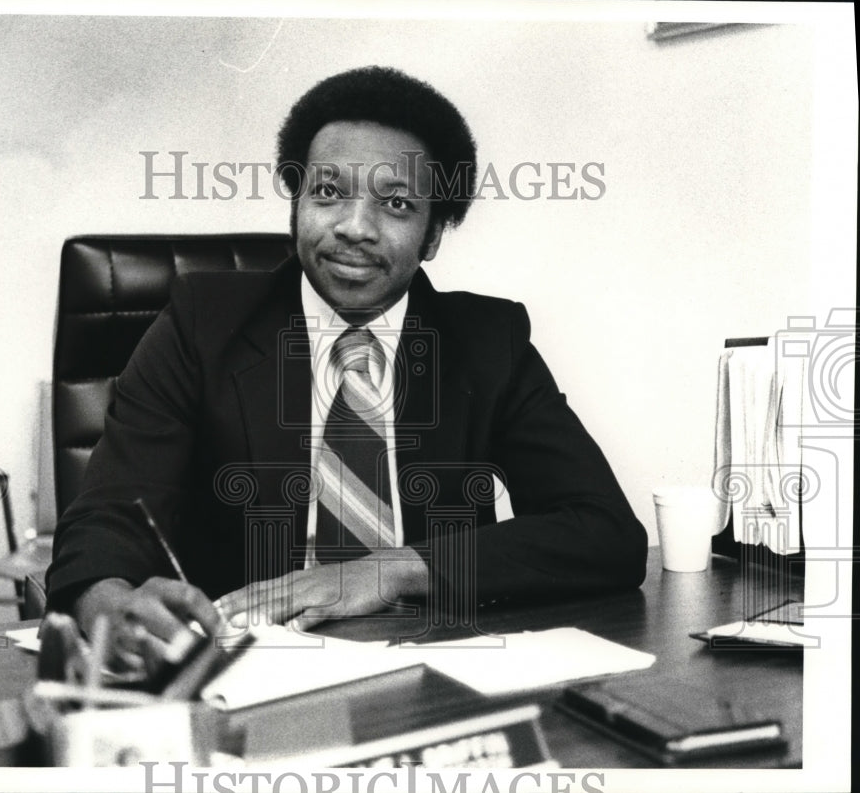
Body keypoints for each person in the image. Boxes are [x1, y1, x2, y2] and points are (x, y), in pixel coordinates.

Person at [46, 66, 647, 670]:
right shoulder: (200, 324)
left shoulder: (489, 343)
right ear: (297, 201)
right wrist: (108, 604)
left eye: (396, 204)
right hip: (242, 673)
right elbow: (108, 515)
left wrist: (393, 571)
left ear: (433, 233)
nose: (354, 228)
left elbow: (604, 533)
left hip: (431, 668)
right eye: (328, 193)